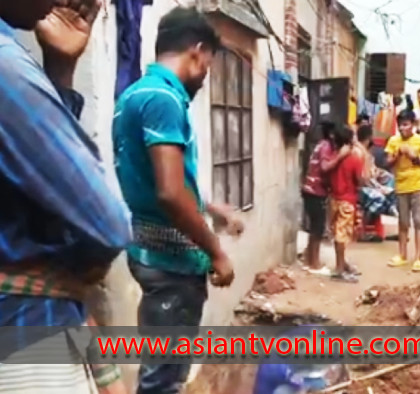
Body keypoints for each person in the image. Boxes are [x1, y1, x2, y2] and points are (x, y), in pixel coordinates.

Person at [0, 0, 131, 392]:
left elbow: (30, 193)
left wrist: (60, 71)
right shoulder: (6, 69)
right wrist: (82, 265)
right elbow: (107, 225)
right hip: (25, 337)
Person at [112, 7, 244, 393]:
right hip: (171, 265)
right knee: (164, 379)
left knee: (164, 370)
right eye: (209, 63)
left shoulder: (135, 94)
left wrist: (208, 206)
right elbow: (169, 192)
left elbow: (155, 180)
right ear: (198, 51)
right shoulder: (162, 99)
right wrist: (216, 251)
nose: (206, 73)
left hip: (150, 252)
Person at [386, 109, 420, 272]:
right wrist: (398, 154)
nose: (402, 128)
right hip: (401, 185)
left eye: (405, 125)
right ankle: (402, 254)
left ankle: (419, 257)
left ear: (412, 125)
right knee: (403, 222)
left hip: (418, 185)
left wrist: (415, 157)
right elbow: (388, 162)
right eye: (400, 125)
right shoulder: (393, 141)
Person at [301, 121, 351, 274]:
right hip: (315, 191)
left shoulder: (321, 144)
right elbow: (324, 167)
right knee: (317, 229)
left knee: (315, 227)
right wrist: (340, 157)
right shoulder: (326, 147)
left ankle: (309, 259)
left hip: (310, 189)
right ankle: (314, 264)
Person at [328, 126, 365, 283]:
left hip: (334, 199)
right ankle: (339, 268)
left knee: (337, 233)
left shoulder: (334, 157)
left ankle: (342, 264)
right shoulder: (354, 159)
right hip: (347, 200)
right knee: (342, 236)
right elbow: (360, 179)